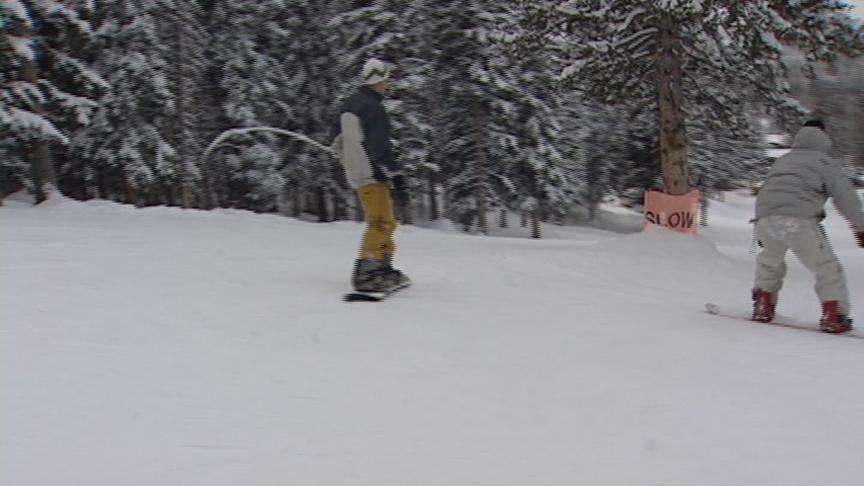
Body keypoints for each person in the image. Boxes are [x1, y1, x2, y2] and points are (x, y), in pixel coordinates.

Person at [752, 120, 864, 333]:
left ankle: (762, 304)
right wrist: (861, 227)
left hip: (766, 218)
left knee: (769, 262)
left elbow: (768, 190)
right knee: (826, 267)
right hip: (799, 219)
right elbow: (846, 197)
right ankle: (834, 314)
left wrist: (760, 224)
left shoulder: (783, 160)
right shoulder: (823, 162)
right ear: (823, 138)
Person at [332, 58, 411, 292]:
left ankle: (382, 266)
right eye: (386, 80)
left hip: (359, 171)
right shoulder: (373, 107)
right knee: (380, 222)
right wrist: (395, 174)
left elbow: (337, 142)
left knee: (385, 220)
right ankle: (367, 273)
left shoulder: (350, 104)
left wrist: (349, 160)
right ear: (379, 80)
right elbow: (379, 146)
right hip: (370, 172)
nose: (388, 85)